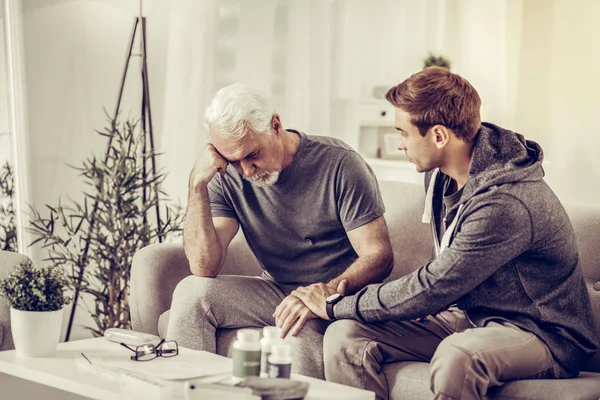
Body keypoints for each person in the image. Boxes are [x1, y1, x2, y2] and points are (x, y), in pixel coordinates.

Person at [292, 67, 598, 398]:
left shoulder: (506, 202)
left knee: (458, 357)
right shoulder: (440, 176)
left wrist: (336, 303)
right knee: (346, 336)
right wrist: (342, 313)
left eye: (404, 133)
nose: (400, 145)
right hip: (469, 316)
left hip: (542, 334)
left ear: (439, 136)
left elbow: (434, 285)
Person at [166, 83, 394, 379]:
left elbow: (379, 255)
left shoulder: (340, 164)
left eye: (252, 155)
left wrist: (322, 294)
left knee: (294, 336)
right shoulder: (226, 176)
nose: (246, 171)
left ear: (275, 126)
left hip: (336, 298)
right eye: (234, 162)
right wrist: (197, 185)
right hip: (276, 290)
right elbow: (203, 266)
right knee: (190, 292)